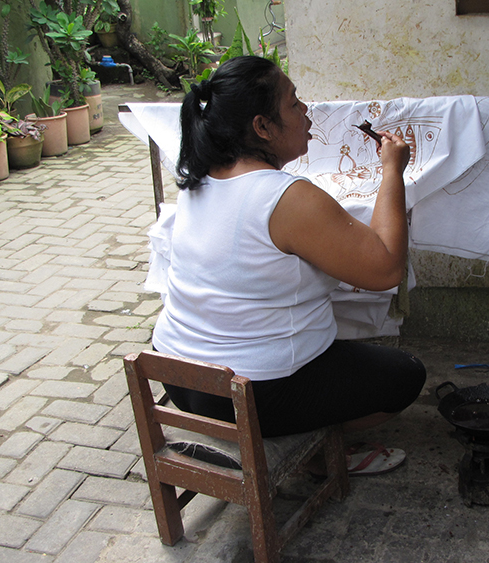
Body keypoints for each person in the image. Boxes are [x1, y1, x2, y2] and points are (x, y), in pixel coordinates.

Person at [151, 55, 426, 472]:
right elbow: (386, 269)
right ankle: (309, 452)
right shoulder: (286, 197)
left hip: (179, 374)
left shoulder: (200, 176)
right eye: (294, 103)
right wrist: (392, 170)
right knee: (406, 375)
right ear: (262, 127)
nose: (306, 111)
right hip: (249, 394)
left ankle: (289, 431)